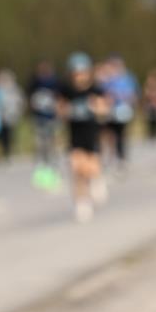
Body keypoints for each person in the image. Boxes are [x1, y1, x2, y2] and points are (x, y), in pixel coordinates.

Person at [58, 52, 109, 222]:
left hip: (92, 135)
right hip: (75, 136)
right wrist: (66, 111)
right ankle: (81, 203)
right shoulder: (67, 91)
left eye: (82, 72)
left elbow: (104, 110)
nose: (79, 76)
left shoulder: (96, 90)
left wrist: (96, 107)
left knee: (92, 169)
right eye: (76, 73)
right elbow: (60, 110)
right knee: (76, 169)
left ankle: (96, 181)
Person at [27, 60, 63, 191]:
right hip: (39, 119)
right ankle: (41, 171)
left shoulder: (55, 82)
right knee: (40, 145)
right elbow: (30, 99)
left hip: (52, 119)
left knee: (53, 145)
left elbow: (60, 100)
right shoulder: (35, 82)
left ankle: (54, 170)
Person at [100, 55, 138, 172]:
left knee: (120, 135)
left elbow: (133, 95)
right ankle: (110, 157)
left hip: (122, 111)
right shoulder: (106, 79)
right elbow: (101, 94)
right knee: (109, 135)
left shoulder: (128, 78)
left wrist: (126, 100)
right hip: (110, 111)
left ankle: (121, 158)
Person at [0, 68, 24, 160]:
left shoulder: (15, 89)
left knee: (11, 134)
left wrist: (18, 112)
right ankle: (5, 151)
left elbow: (19, 101)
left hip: (11, 116)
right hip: (1, 116)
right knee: (3, 135)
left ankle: (10, 150)